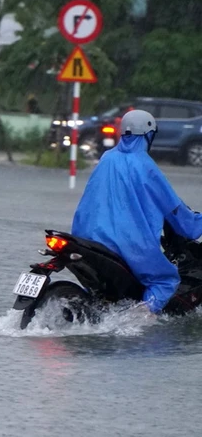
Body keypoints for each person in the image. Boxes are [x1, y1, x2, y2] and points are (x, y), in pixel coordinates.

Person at [72, 109, 202, 314]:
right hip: (125, 244)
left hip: (85, 237)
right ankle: (139, 321)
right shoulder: (145, 165)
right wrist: (195, 223)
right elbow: (173, 208)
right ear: (149, 134)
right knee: (165, 279)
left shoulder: (107, 158)